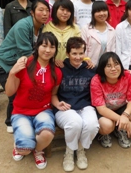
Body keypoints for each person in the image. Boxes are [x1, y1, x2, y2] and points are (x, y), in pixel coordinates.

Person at [5, 32, 62, 169]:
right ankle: (21, 144)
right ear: (37, 46)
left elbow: (53, 94)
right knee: (24, 149)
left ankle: (37, 150)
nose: (48, 50)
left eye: (52, 47)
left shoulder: (57, 72)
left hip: (43, 110)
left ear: (56, 50)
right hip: (21, 111)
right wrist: (12, 72)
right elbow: (9, 92)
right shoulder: (25, 64)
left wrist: (58, 103)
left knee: (47, 133)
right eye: (44, 45)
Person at [0, 0, 50, 133]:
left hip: (21, 63)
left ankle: (20, 121)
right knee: (14, 95)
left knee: (21, 93)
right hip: (6, 63)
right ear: (32, 12)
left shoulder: (41, 27)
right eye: (40, 10)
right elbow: (25, 52)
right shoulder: (23, 26)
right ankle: (11, 122)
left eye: (47, 11)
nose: (44, 13)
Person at [52, 37, 99, 172]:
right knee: (75, 123)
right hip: (65, 107)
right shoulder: (60, 68)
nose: (78, 57)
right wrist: (57, 104)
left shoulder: (91, 68)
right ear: (67, 53)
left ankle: (80, 149)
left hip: (85, 105)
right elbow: (53, 94)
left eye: (81, 53)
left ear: (85, 53)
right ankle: (69, 152)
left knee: (92, 125)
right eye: (74, 53)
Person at [90, 52, 131, 149]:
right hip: (105, 110)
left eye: (116, 64)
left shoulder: (127, 75)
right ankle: (107, 132)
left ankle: (119, 129)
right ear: (102, 68)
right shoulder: (96, 80)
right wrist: (125, 121)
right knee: (107, 126)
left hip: (120, 106)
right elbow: (101, 109)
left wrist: (125, 115)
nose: (114, 68)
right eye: (109, 66)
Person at [42, 0, 81, 67]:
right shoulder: (47, 28)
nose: (65, 13)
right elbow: (43, 48)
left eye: (68, 11)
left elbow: (78, 49)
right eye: (62, 10)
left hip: (70, 67)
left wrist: (66, 61)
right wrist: (53, 59)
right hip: (51, 66)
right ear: (55, 11)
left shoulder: (75, 29)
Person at [81, 1, 115, 65]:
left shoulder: (112, 30)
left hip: (106, 67)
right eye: (98, 11)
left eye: (104, 10)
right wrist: (86, 60)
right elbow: (82, 49)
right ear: (93, 13)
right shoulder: (85, 29)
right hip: (89, 66)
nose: (102, 13)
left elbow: (113, 51)